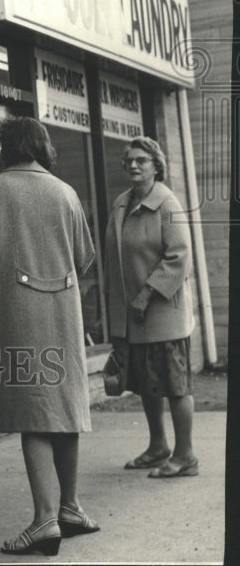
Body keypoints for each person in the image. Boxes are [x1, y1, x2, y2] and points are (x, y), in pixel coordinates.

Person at [0, 118, 99, 556]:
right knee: (63, 406)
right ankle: (71, 508)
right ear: (41, 147)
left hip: (15, 314)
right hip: (63, 312)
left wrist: (4, 274)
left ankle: (44, 521)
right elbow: (84, 257)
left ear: (9, 147)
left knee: (30, 410)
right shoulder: (66, 192)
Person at [104, 137, 197, 478]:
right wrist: (111, 309)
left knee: (174, 385)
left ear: (156, 165)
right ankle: (158, 446)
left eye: (141, 160)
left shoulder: (167, 204)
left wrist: (145, 296)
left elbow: (179, 258)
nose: (133, 165)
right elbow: (113, 264)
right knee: (147, 384)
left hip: (163, 315)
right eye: (129, 160)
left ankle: (186, 456)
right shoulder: (120, 204)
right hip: (133, 318)